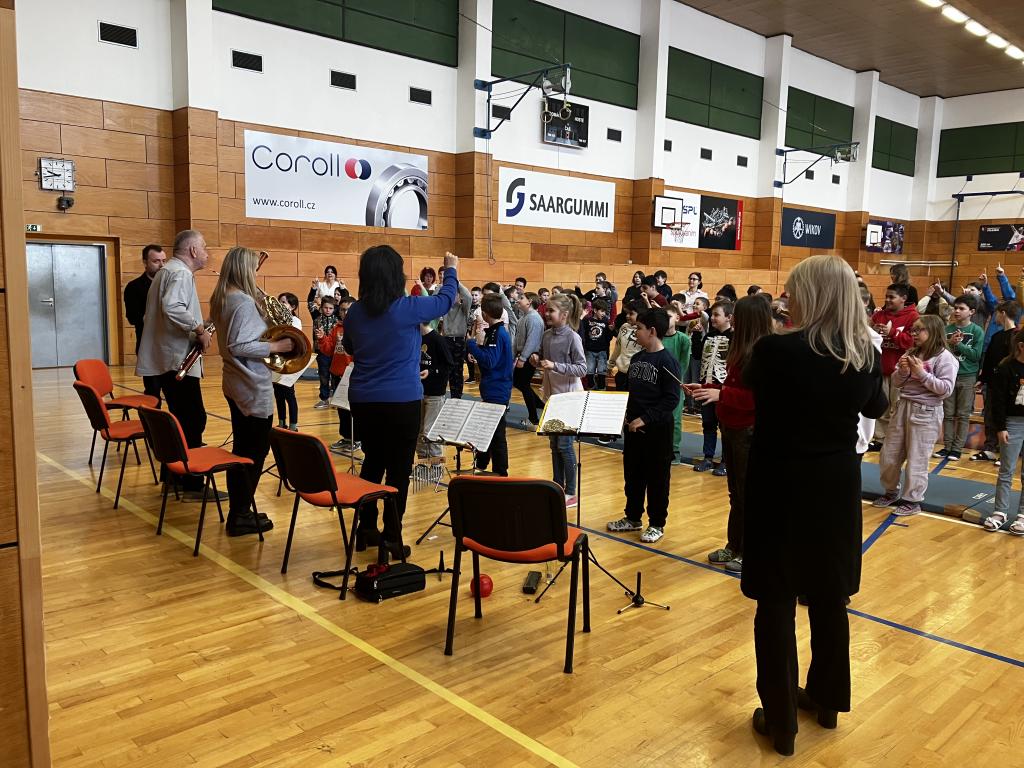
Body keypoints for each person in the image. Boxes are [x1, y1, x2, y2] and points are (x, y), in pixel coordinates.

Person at [742, 255, 888, 757]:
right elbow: (876, 407)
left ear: (813, 294)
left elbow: (754, 388)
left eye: (792, 290)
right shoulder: (862, 353)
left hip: (780, 482)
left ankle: (781, 720)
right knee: (829, 597)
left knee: (776, 600)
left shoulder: (776, 349)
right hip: (835, 484)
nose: (787, 299)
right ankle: (827, 701)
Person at [342, 246, 459, 558]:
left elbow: (350, 347)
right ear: (397, 275)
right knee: (398, 470)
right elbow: (446, 300)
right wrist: (451, 269)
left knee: (372, 461)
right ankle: (392, 537)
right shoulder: (408, 307)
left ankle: (366, 528)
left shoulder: (355, 312)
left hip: (363, 399)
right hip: (401, 400)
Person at [209, 246, 295, 537]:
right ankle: (241, 514)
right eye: (253, 268)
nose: (256, 273)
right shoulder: (242, 302)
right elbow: (239, 345)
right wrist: (276, 345)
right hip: (250, 384)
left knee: (242, 449)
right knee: (253, 453)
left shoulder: (223, 296)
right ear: (243, 270)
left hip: (234, 382)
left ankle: (240, 510)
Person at [696, 296, 772, 573]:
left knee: (748, 494)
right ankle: (734, 545)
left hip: (748, 430)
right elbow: (733, 386)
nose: (733, 319)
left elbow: (758, 398)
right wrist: (708, 388)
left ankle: (749, 551)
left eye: (738, 315)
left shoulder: (762, 352)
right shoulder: (741, 347)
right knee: (736, 493)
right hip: (730, 425)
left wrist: (722, 394)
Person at [135, 229, 213, 498]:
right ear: (192, 250)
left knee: (180, 419)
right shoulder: (180, 273)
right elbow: (172, 307)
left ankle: (173, 476)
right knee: (193, 419)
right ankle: (190, 482)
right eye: (204, 247)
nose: (206, 253)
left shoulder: (167, 271)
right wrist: (199, 329)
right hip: (177, 360)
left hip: (168, 358)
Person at [606, 308, 680, 544]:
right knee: (633, 475)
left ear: (652, 331)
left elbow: (671, 399)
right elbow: (631, 392)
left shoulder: (668, 362)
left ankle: (656, 523)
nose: (634, 332)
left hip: (657, 431)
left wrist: (646, 418)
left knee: (657, 479)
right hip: (634, 429)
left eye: (638, 328)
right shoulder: (637, 359)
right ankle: (633, 517)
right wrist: (626, 414)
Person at [873, 315, 958, 516]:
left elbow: (945, 389)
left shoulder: (945, 358)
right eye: (913, 330)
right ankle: (890, 491)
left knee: (917, 458)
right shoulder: (911, 352)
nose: (914, 333)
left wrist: (921, 373)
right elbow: (897, 382)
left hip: (926, 411)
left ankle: (912, 500)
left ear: (933, 331)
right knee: (889, 454)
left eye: (919, 330)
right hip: (903, 406)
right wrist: (903, 371)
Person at [531, 292, 586, 507]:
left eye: (551, 311)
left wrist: (555, 366)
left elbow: (582, 368)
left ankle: (571, 492)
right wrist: (536, 359)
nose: (547, 314)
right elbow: (543, 358)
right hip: (552, 396)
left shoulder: (573, 337)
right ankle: (557, 487)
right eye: (546, 310)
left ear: (564, 315)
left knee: (564, 445)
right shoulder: (547, 335)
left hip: (570, 399)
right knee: (554, 445)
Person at [466, 294, 514, 476]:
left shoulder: (497, 333)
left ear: (485, 313)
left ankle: (501, 472)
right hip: (493, 387)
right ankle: (482, 464)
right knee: (487, 429)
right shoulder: (495, 331)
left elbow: (490, 361)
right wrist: (478, 352)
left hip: (497, 389)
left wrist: (472, 345)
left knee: (497, 433)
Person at [868, 284, 918, 451]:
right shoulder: (879, 315)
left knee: (897, 407)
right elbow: (865, 334)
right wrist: (873, 331)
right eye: (886, 296)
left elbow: (913, 342)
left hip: (900, 371)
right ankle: (880, 439)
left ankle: (894, 440)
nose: (887, 300)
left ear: (903, 298)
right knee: (882, 405)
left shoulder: (913, 316)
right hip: (880, 369)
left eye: (892, 297)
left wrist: (893, 333)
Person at [984, 327, 1024, 535]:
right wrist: (1001, 427)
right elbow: (997, 402)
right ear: (1021, 347)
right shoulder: (1006, 368)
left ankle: (1023, 515)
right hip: (1012, 423)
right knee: (1006, 470)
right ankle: (1000, 512)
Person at [934, 295, 984, 461]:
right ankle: (947, 446)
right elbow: (938, 351)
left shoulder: (977, 331)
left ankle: (956, 449)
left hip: (967, 376)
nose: (957, 311)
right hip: (948, 376)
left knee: (963, 414)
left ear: (972, 312)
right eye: (955, 308)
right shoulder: (946, 329)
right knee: (947, 414)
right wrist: (949, 342)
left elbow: (976, 355)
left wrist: (959, 344)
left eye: (961, 308)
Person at [974, 300, 1021, 462]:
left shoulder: (1017, 336)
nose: (995, 317)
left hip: (1010, 386)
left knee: (1006, 418)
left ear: (1003, 313)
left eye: (997, 314)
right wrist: (983, 378)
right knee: (990, 415)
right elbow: (989, 360)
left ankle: (1005, 451)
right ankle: (990, 448)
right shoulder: (996, 336)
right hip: (993, 384)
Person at [694, 301, 733, 475]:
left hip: (723, 389)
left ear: (729, 317)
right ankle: (708, 457)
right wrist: (696, 336)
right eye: (712, 315)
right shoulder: (708, 336)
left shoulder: (734, 337)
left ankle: (726, 460)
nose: (713, 318)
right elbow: (697, 355)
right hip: (706, 386)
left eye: (717, 315)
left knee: (725, 426)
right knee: (708, 423)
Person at [123, 244, 166, 399]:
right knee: (153, 392)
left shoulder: (170, 284)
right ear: (145, 262)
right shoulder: (134, 287)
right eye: (156, 261)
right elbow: (132, 317)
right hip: (148, 345)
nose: (161, 265)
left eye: (164, 261)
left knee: (173, 393)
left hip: (169, 346)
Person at [322, 297, 357, 455]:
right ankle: (346, 437)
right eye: (342, 309)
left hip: (351, 374)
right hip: (337, 373)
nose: (345, 312)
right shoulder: (337, 328)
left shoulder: (359, 328)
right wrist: (322, 338)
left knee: (353, 409)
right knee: (342, 408)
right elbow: (329, 350)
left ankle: (357, 439)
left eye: (349, 309)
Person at [417, 322, 454, 460]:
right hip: (419, 391)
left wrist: (431, 371)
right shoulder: (416, 338)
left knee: (430, 430)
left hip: (435, 393)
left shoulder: (437, 339)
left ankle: (436, 463)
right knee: (419, 429)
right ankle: (422, 462)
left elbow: (449, 365)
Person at [662, 304, 691, 463]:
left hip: (675, 385)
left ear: (677, 318)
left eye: (669, 317)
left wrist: (675, 381)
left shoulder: (683, 339)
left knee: (675, 419)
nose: (666, 320)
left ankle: (674, 450)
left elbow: (683, 363)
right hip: (658, 385)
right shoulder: (656, 337)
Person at [438, 269, 473, 399]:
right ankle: (441, 395)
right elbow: (435, 296)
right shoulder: (445, 308)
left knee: (457, 371)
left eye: (455, 294)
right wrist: (444, 284)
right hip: (446, 339)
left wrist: (456, 281)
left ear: (458, 295)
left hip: (459, 340)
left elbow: (468, 297)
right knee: (444, 369)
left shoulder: (464, 308)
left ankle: (456, 397)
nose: (453, 297)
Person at [513, 291, 546, 424]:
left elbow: (532, 341)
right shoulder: (524, 317)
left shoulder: (534, 318)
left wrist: (523, 358)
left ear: (529, 302)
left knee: (523, 384)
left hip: (530, 356)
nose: (518, 300)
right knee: (518, 382)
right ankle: (539, 405)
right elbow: (517, 339)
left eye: (522, 298)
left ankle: (533, 418)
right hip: (523, 355)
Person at [272, 292, 303, 431]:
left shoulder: (295, 321)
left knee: (289, 395)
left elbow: (292, 337)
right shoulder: (275, 319)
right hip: (277, 359)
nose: (280, 304)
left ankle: (293, 425)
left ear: (293, 306)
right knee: (278, 394)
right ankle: (281, 422)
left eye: (283, 302)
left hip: (290, 360)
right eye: (279, 302)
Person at [311, 296, 339, 409]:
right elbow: (310, 304)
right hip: (321, 353)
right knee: (323, 376)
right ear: (321, 308)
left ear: (334, 309)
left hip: (335, 353)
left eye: (330, 308)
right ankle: (324, 399)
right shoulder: (316, 318)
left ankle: (336, 399)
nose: (328, 310)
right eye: (325, 308)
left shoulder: (337, 320)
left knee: (336, 377)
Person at [580, 298, 613, 390]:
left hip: (602, 350)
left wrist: (610, 331)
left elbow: (608, 338)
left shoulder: (606, 321)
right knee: (589, 371)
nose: (604, 314)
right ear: (595, 310)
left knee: (601, 372)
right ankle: (591, 387)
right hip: (590, 350)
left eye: (605, 312)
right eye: (602, 311)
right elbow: (583, 333)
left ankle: (602, 388)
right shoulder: (587, 320)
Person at [611, 301, 642, 391]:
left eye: (631, 313)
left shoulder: (645, 331)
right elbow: (618, 347)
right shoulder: (624, 326)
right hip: (621, 372)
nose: (627, 316)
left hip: (636, 375)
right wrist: (611, 364)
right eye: (627, 313)